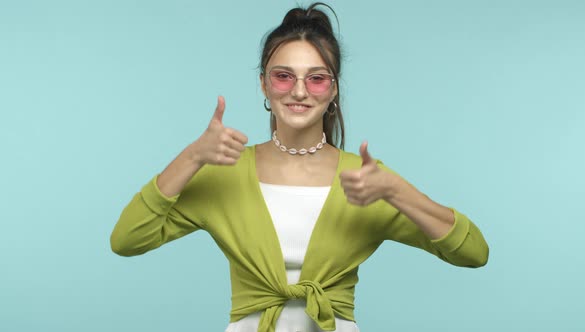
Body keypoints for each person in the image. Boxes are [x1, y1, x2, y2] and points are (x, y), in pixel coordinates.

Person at [110, 3, 489, 332]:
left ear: (334, 89)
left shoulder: (367, 181)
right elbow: (127, 240)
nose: (299, 91)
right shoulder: (225, 173)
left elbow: (473, 252)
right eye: (283, 75)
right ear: (263, 84)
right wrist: (191, 156)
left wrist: (396, 191)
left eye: (317, 79)